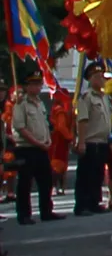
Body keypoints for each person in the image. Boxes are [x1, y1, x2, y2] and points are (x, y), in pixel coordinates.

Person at [9, 72, 60, 223]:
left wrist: (47, 140)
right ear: (26, 86)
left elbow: (44, 124)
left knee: (46, 181)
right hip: (26, 148)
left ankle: (46, 211)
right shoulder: (20, 104)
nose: (37, 87)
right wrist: (38, 143)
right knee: (25, 183)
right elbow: (20, 127)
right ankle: (24, 214)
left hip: (41, 148)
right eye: (34, 84)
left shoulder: (40, 102)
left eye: (39, 84)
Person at [73, 61, 112, 215]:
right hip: (90, 141)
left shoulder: (104, 97)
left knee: (97, 174)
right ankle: (82, 205)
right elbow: (82, 120)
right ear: (90, 79)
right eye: (97, 76)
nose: (101, 79)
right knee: (86, 174)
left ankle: (94, 202)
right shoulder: (86, 97)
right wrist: (81, 142)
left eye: (102, 75)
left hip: (102, 141)